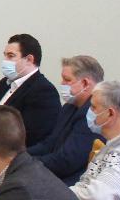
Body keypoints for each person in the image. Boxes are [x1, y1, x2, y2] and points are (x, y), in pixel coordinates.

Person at [28, 55, 105, 184]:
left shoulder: (93, 116)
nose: (61, 84)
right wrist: (19, 156)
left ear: (85, 83)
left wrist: (26, 164)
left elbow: (66, 162)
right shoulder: (69, 107)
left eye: (67, 80)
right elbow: (49, 144)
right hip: (53, 177)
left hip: (70, 185)